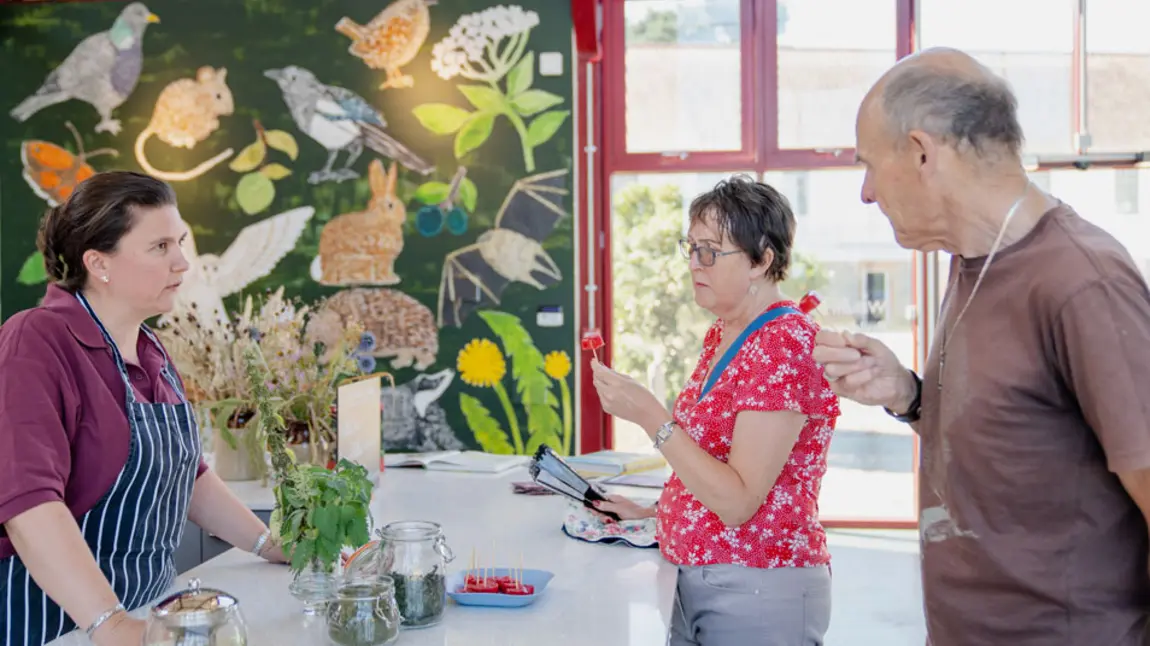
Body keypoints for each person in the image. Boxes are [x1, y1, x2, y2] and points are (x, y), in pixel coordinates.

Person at [813, 47, 1150, 644]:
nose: (866, 193)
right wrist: (909, 395)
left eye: (869, 165)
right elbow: (1018, 442)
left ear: (921, 152)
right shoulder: (972, 263)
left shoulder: (1081, 281)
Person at [0, 171, 288, 646]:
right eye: (160, 248)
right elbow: (29, 505)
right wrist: (110, 625)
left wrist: (267, 543)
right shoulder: (35, 340)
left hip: (145, 613)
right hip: (52, 626)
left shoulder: (150, 348)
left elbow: (188, 476)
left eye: (181, 242)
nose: (182, 263)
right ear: (99, 263)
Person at [589, 176, 841, 646]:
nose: (694, 264)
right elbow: (708, 465)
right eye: (691, 248)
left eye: (710, 252)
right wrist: (654, 511)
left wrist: (649, 415)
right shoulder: (726, 333)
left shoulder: (783, 343)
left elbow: (738, 500)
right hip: (705, 576)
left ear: (762, 260)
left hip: (757, 585)